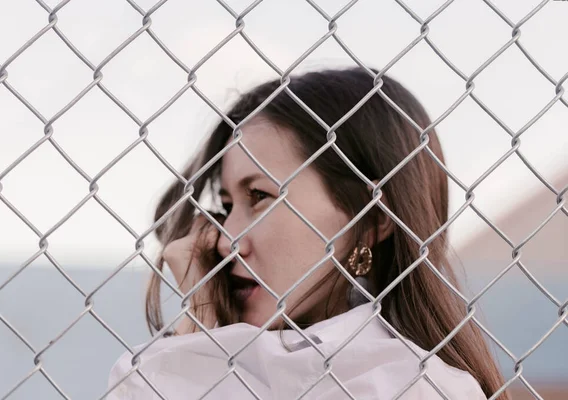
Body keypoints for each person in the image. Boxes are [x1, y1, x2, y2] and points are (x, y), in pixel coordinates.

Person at [106, 67, 508, 399]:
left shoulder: (416, 388)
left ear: (371, 218)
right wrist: (205, 328)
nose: (227, 242)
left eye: (260, 196)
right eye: (227, 207)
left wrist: (195, 348)